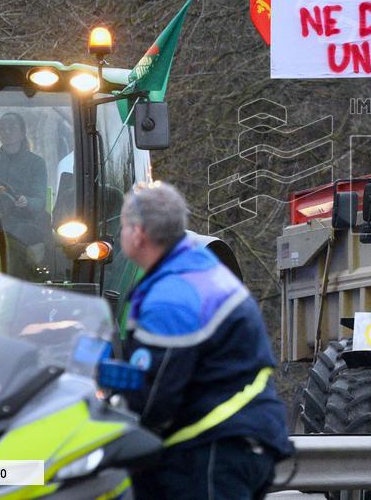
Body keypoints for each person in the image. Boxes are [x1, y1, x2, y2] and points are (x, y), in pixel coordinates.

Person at [118, 181, 293, 499]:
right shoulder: (194, 271)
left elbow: (156, 395)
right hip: (236, 438)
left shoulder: (175, 295)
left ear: (137, 233)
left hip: (215, 446)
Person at [0, 112, 48, 244]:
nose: (6, 132)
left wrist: (26, 201)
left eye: (12, 127)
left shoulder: (36, 163)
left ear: (22, 134)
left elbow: (39, 200)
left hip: (24, 220)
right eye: (2, 128)